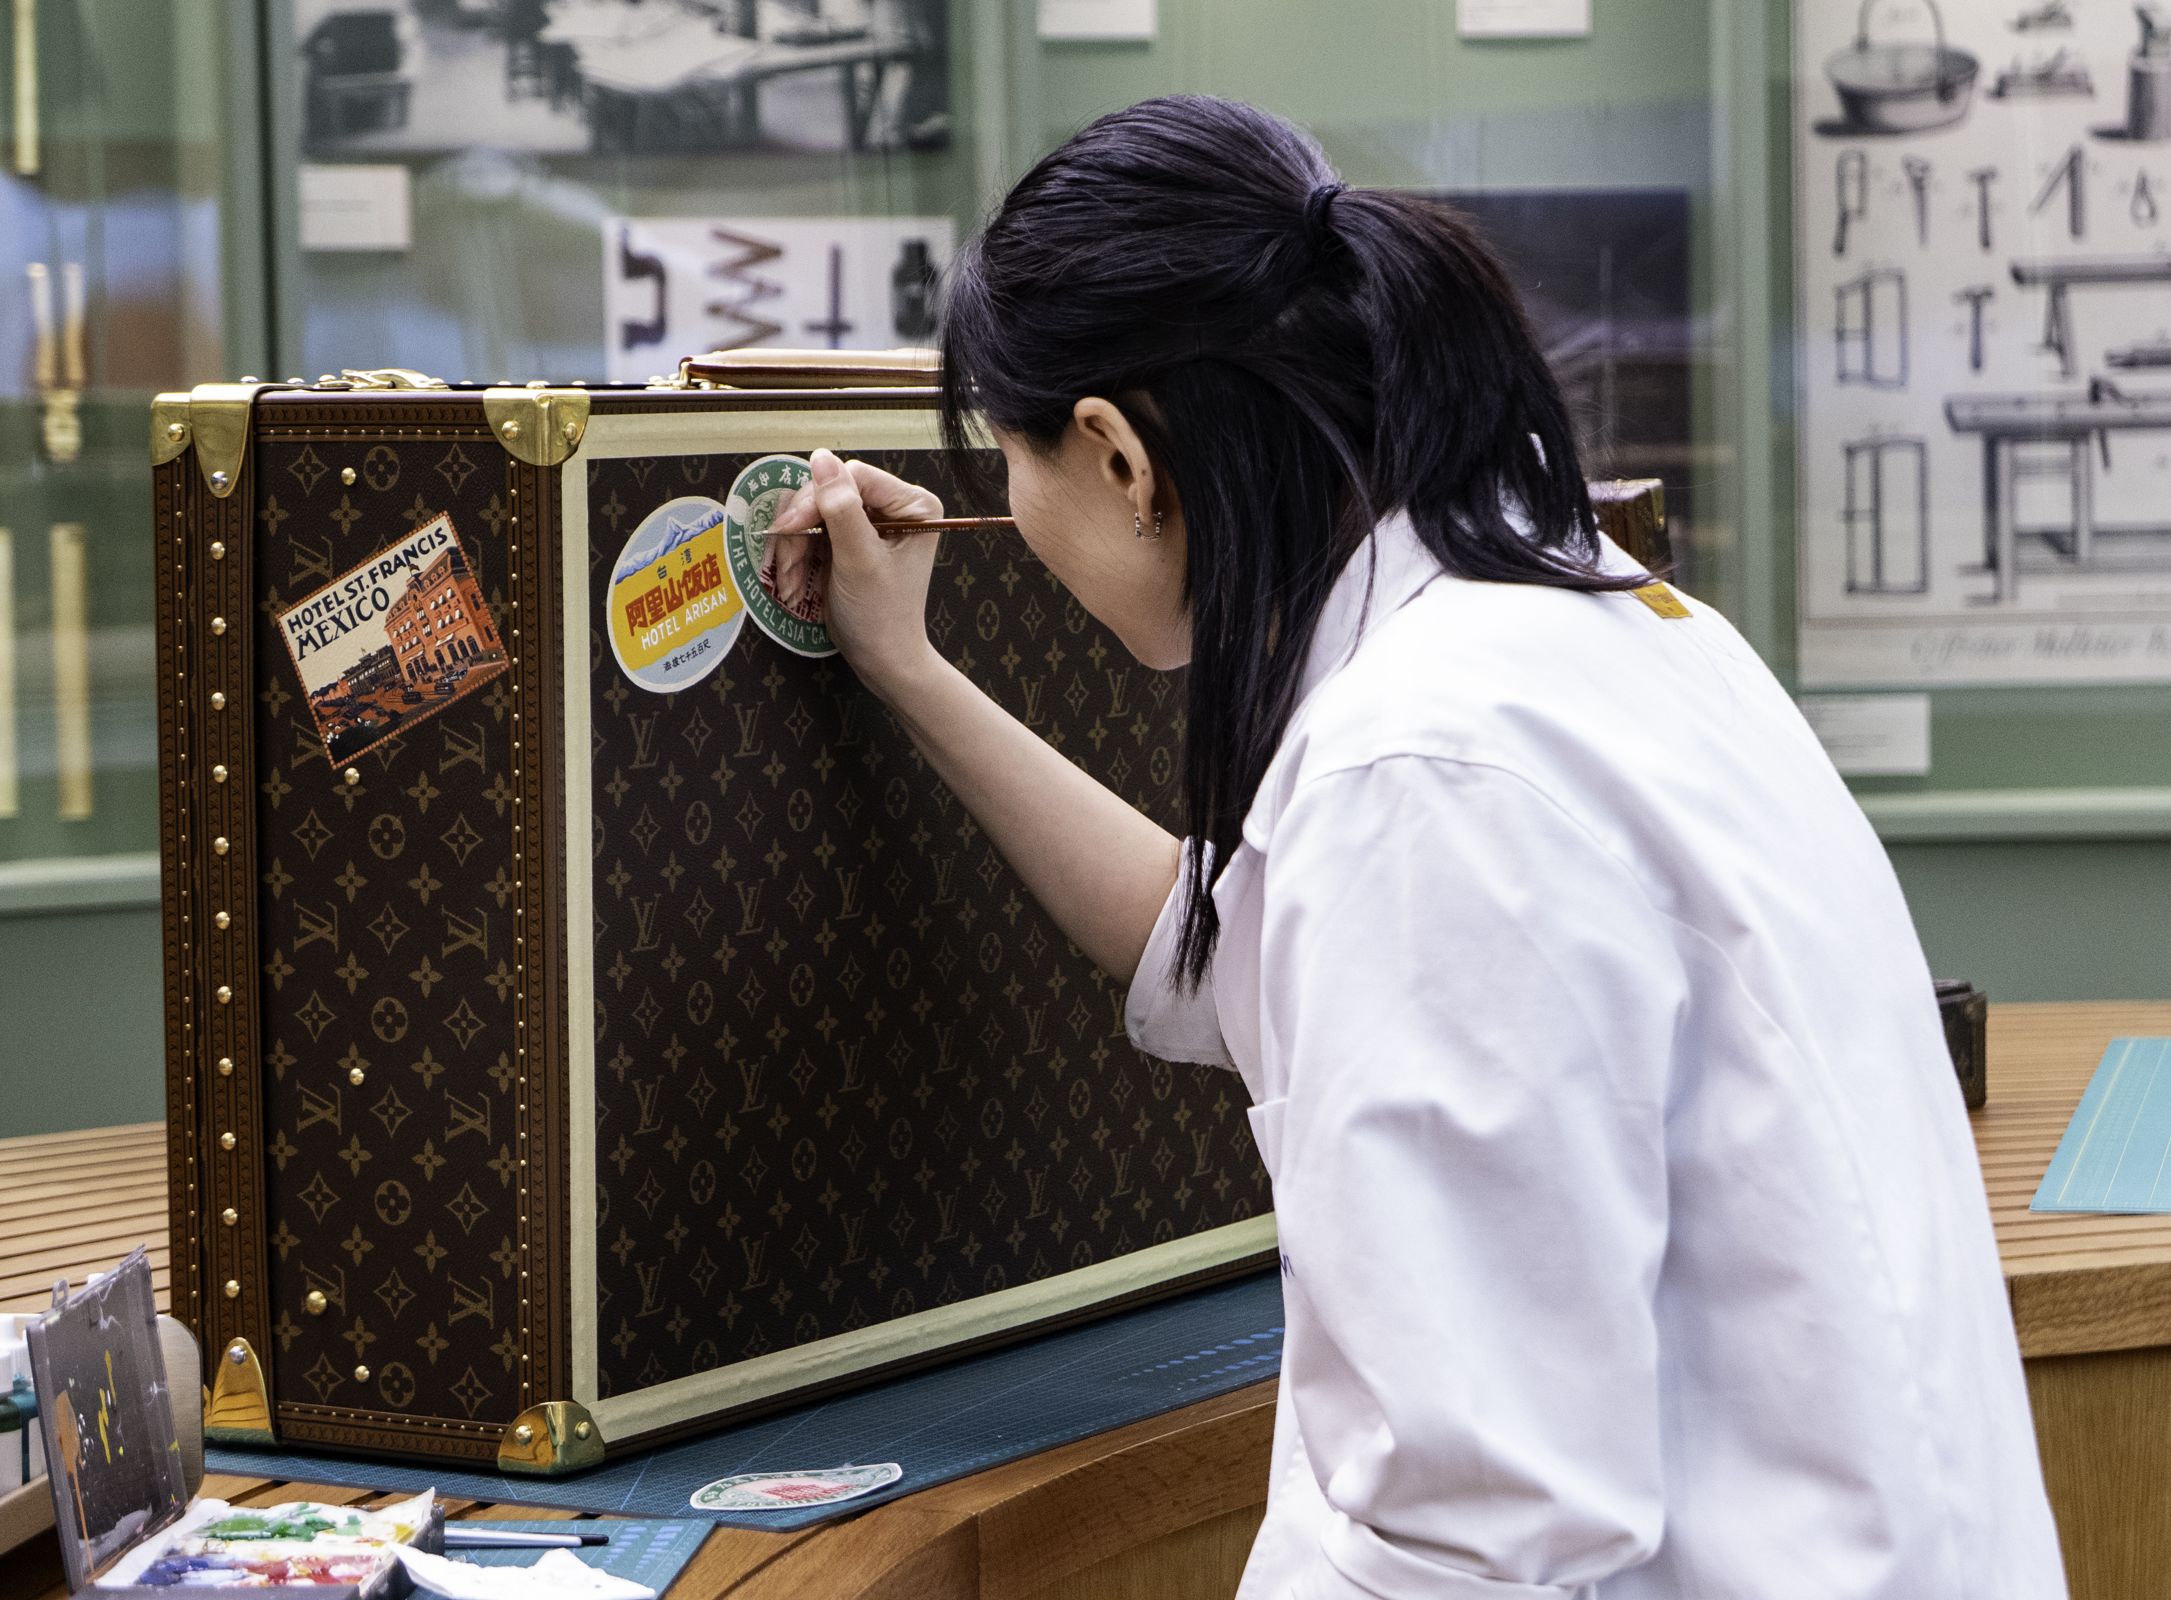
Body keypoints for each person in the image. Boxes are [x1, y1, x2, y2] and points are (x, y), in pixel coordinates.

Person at [765, 96, 2065, 1600]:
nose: (1017, 516)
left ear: (1121, 459)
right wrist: (911, 668)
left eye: (1014, 462)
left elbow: (1479, 1540)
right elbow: (1219, 945)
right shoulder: (1584, 632)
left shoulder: (1426, 771)